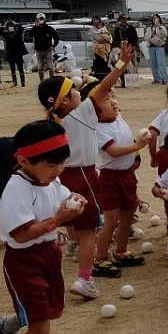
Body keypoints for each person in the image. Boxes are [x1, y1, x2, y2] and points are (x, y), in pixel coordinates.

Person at [0, 120, 90, 334]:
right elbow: (21, 235)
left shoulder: (50, 180)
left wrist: (75, 199)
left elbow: (63, 196)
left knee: (46, 310)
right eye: (51, 164)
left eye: (62, 163)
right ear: (24, 161)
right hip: (24, 261)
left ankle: (5, 326)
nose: (59, 170)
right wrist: (57, 221)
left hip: (49, 254)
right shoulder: (17, 188)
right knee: (41, 328)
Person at [36, 40, 134, 300]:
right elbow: (105, 86)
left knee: (71, 225)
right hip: (83, 176)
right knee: (89, 230)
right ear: (65, 100)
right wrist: (122, 63)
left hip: (61, 177)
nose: (79, 91)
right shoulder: (81, 113)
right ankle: (85, 279)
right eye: (73, 90)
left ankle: (54, 270)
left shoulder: (54, 119)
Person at [92, 88, 146, 275]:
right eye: (106, 100)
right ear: (95, 110)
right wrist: (137, 146)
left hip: (127, 175)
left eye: (113, 97)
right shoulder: (98, 129)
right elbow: (113, 151)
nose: (114, 102)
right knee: (111, 221)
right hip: (110, 178)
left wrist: (107, 87)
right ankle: (100, 259)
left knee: (127, 217)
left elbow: (107, 86)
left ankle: (121, 252)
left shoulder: (117, 117)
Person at [29, 14, 59, 81]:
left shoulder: (49, 28)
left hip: (48, 50)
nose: (41, 20)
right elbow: (30, 33)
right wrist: (35, 26)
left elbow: (56, 38)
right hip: (39, 50)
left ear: (45, 19)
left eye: (42, 18)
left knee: (50, 66)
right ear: (37, 20)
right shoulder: (36, 29)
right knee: (40, 67)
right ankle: (42, 82)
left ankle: (52, 81)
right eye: (39, 19)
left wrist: (53, 46)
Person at [0, 20, 28, 87]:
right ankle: (14, 82)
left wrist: (16, 24)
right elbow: (0, 32)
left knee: (20, 69)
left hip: (18, 53)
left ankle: (23, 82)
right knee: (12, 69)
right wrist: (4, 25)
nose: (10, 27)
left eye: (12, 26)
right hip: (10, 54)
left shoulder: (18, 33)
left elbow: (21, 28)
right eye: (9, 26)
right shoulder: (6, 35)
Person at [146, 14, 168, 84]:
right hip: (151, 46)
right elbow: (146, 37)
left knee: (161, 63)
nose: (155, 19)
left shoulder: (162, 27)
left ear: (159, 19)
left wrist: (159, 27)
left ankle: (164, 79)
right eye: (154, 18)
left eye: (156, 18)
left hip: (159, 46)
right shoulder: (149, 28)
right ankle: (157, 79)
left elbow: (165, 35)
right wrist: (151, 35)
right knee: (153, 64)